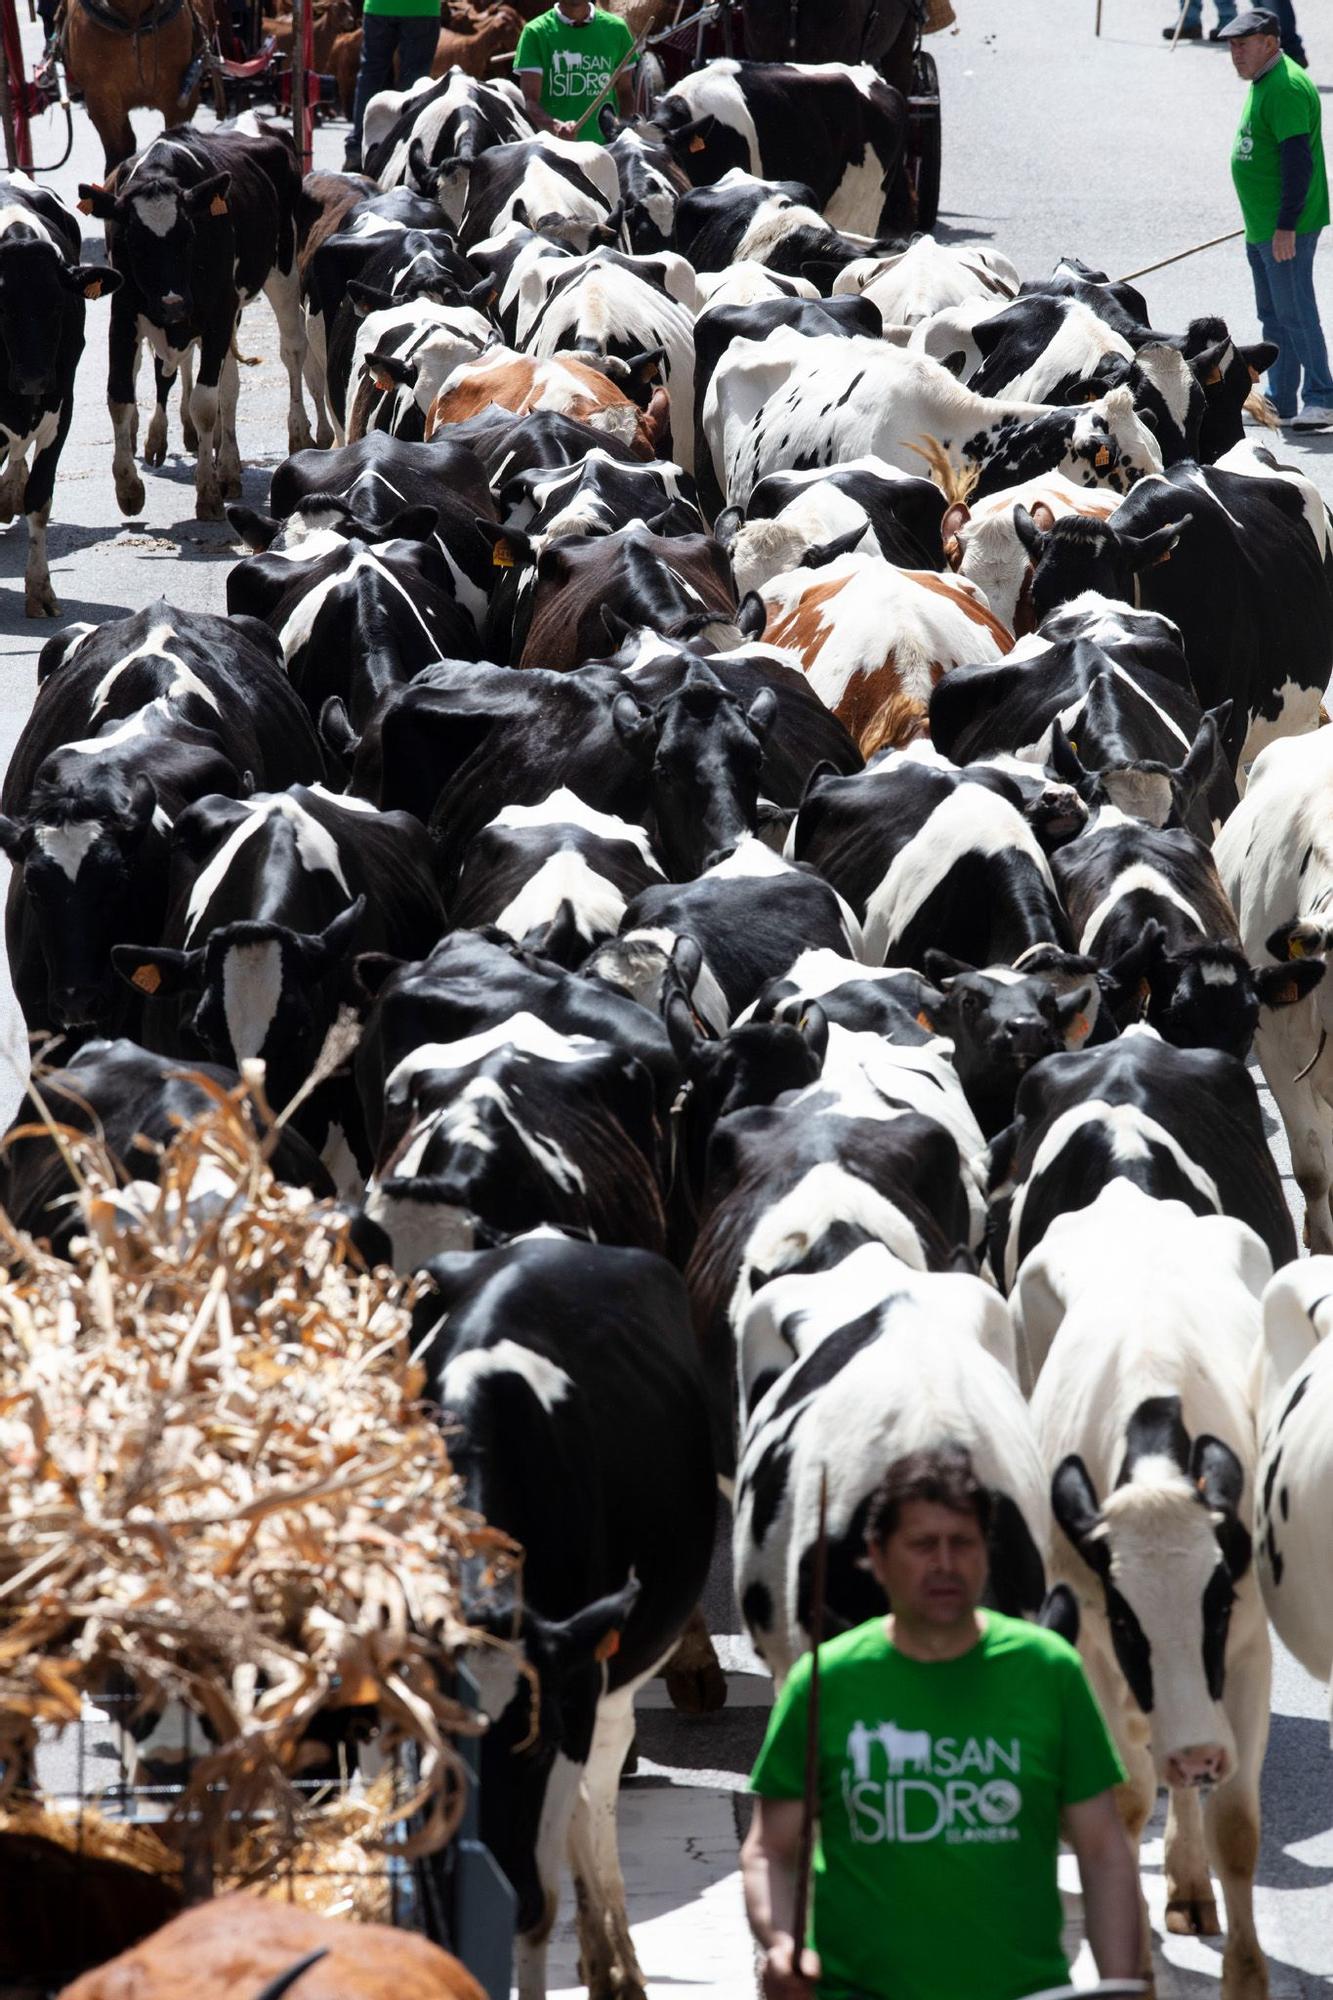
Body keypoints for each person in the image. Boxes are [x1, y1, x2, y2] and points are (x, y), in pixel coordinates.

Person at [741, 1446, 1142, 2000]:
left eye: (963, 1543)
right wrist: (782, 1944)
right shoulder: (824, 1683)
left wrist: (1123, 1984)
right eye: (923, 1545)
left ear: (986, 1553)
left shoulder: (1049, 1671)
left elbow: (1102, 1850)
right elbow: (770, 1850)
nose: (946, 1563)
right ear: (877, 1558)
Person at [1223, 8, 1333, 428]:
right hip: (1264, 224)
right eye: (1231, 46)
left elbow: (1297, 162)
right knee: (1273, 315)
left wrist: (1286, 223)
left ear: (1270, 42)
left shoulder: (1284, 86)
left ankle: (1322, 395)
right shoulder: (1265, 79)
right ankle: (1281, 400)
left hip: (1284, 228)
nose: (1235, 54)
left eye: (1243, 44)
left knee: (1296, 312)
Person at [513, 0, 636, 143]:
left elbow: (625, 91)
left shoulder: (617, 29)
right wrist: (556, 127)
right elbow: (530, 102)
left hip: (606, 149)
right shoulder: (535, 32)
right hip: (553, 151)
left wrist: (622, 132)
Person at [342, 0, 440, 172]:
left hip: (379, 7)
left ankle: (357, 148)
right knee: (414, 80)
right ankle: (408, 147)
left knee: (370, 75)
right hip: (421, 8)